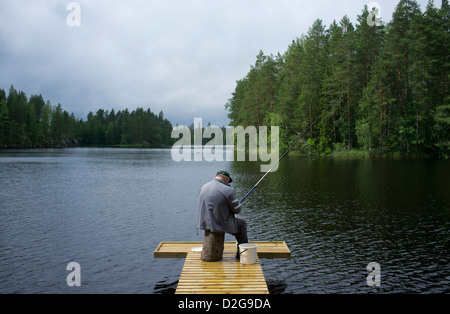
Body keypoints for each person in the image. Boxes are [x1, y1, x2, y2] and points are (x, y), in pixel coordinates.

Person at [198, 171, 248, 259]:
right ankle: (241, 254)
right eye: (228, 181)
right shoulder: (227, 190)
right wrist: (238, 205)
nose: (228, 183)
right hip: (218, 223)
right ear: (226, 179)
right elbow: (237, 210)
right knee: (242, 224)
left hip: (204, 222)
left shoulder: (204, 187)